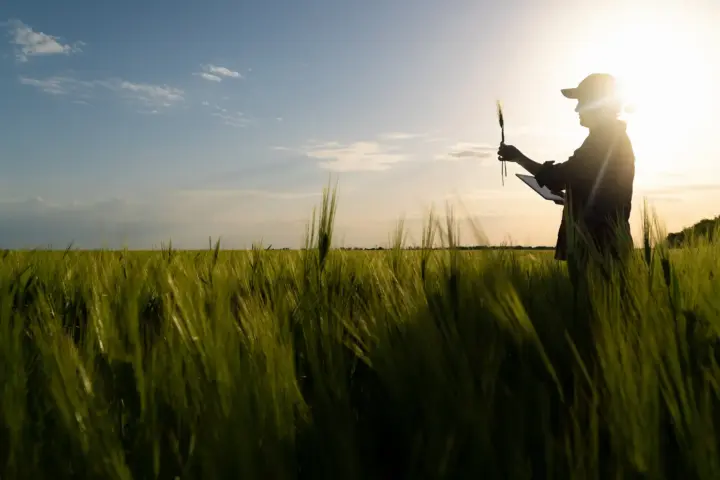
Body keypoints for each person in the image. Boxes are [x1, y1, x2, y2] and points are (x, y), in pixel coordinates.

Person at [497, 73, 635, 261]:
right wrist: (571, 198)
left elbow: (561, 176)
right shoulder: (608, 137)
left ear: (599, 104)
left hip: (598, 245)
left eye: (582, 101)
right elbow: (597, 186)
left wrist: (518, 158)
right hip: (602, 243)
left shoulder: (605, 139)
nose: (577, 109)